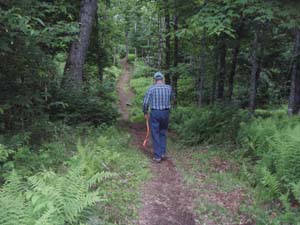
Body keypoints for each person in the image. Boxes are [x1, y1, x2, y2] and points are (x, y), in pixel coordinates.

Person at [143, 72, 173, 163]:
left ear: (154, 80)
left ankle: (157, 156)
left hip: (155, 113)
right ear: (162, 79)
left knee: (155, 133)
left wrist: (145, 111)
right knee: (163, 132)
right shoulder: (169, 88)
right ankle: (162, 153)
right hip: (166, 113)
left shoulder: (151, 89)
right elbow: (172, 98)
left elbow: (145, 102)